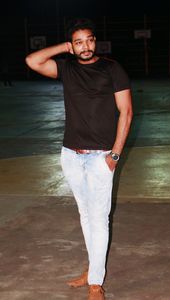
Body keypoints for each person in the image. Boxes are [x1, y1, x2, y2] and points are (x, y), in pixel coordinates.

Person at [25, 18, 133, 300]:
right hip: (71, 155)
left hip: (101, 157)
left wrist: (114, 155)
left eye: (89, 39)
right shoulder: (67, 68)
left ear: (96, 41)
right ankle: (93, 268)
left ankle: (96, 283)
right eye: (79, 41)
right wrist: (63, 48)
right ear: (72, 45)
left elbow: (127, 112)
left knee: (99, 219)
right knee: (86, 216)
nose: (85, 46)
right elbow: (32, 60)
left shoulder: (112, 68)